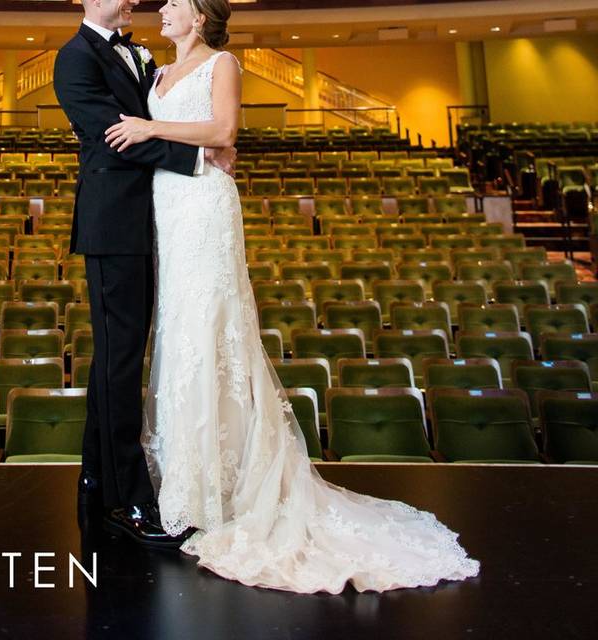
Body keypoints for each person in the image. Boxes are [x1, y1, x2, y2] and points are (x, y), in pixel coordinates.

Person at [102, 0, 481, 592]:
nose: (163, 8)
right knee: (180, 336)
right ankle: (187, 485)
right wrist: (163, 134)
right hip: (166, 209)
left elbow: (225, 132)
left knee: (211, 328)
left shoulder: (222, 64)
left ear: (199, 17)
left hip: (203, 205)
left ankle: (226, 489)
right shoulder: (154, 71)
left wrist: (154, 127)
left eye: (175, 1)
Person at [53, 0, 237, 548]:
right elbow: (119, 135)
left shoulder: (140, 54)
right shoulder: (73, 58)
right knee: (120, 357)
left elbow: (155, 123)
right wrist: (201, 159)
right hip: (114, 224)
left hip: (156, 218)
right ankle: (127, 498)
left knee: (118, 355)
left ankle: (95, 478)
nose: (133, 0)